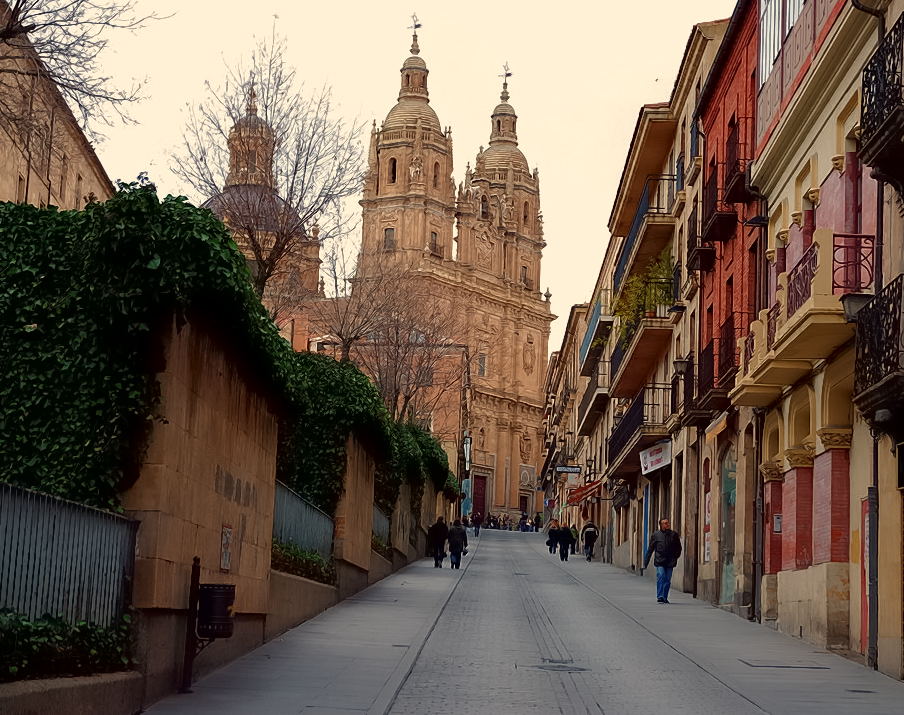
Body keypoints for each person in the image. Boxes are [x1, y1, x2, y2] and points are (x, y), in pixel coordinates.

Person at [643, 518, 682, 603]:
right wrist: (645, 562)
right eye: (664, 523)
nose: (667, 525)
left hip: (670, 561)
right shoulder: (656, 535)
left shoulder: (674, 535)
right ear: (660, 525)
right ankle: (660, 596)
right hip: (660, 560)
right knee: (661, 576)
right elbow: (650, 549)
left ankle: (664, 597)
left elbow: (678, 548)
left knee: (667, 580)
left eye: (667, 523)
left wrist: (675, 557)